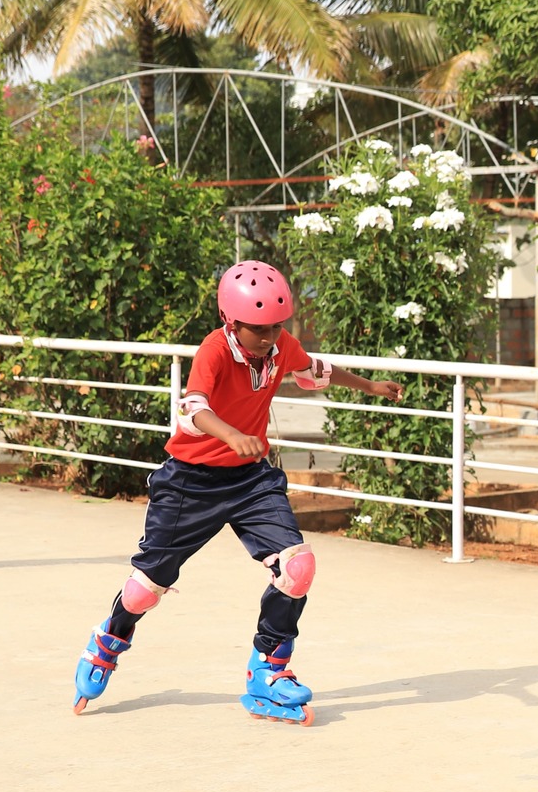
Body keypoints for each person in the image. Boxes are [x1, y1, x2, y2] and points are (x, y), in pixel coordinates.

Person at [71, 261, 403, 724]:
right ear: (233, 321)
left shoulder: (280, 346)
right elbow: (192, 409)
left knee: (298, 567)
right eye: (259, 329)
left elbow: (315, 370)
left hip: (250, 479)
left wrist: (369, 385)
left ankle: (268, 669)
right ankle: (109, 640)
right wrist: (229, 434)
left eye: (276, 327)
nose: (270, 338)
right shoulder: (214, 349)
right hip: (190, 482)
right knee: (146, 588)